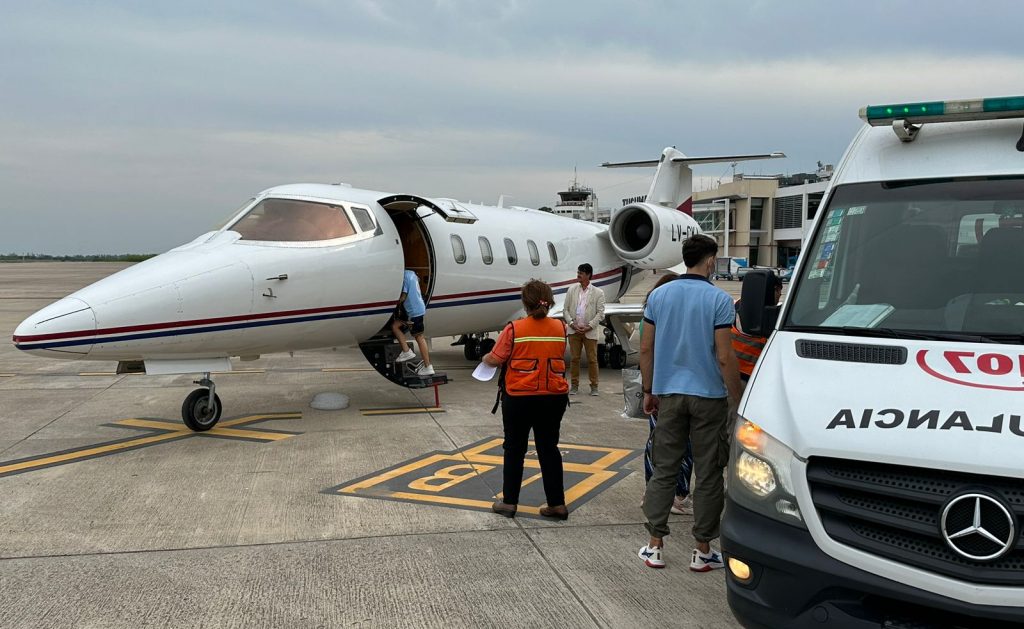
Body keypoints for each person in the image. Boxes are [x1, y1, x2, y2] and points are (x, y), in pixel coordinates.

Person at [637, 234, 743, 571]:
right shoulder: (720, 300)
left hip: (669, 395)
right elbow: (725, 356)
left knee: (665, 469)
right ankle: (702, 549)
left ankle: (655, 545)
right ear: (710, 260)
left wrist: (649, 390)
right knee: (709, 473)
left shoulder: (659, 296)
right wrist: (737, 397)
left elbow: (645, 348)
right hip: (709, 398)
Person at [482, 279, 571, 520]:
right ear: (549, 301)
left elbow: (496, 358)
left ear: (525, 303)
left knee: (514, 449)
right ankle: (557, 504)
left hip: (520, 397)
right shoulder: (560, 328)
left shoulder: (514, 329)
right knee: (548, 448)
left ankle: (509, 502)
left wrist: (485, 358)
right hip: (553, 397)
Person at [638, 272, 693, 517]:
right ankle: (678, 495)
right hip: (682, 388)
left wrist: (647, 389)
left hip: (658, 387)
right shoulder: (681, 320)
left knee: (656, 442)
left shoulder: (649, 318)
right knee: (684, 444)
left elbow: (645, 352)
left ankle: (651, 492)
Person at [563, 263, 606, 396]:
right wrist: (572, 324)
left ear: (588, 275)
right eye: (578, 272)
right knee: (574, 359)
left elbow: (600, 313)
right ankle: (574, 385)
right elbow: (565, 310)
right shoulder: (571, 290)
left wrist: (589, 326)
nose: (578, 275)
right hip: (574, 331)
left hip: (590, 332)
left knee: (592, 360)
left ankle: (594, 386)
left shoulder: (598, 293)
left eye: (581, 273)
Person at [732, 274, 783, 382]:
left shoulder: (736, 304)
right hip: (752, 375)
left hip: (734, 370)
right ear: (774, 289)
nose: (780, 295)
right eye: (779, 291)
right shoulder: (769, 315)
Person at [392, 269, 434, 376]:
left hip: (413, 312)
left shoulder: (404, 277)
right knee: (396, 325)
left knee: (419, 337)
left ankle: (427, 366)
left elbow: (404, 296)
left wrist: (395, 302)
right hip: (418, 308)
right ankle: (407, 351)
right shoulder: (411, 273)